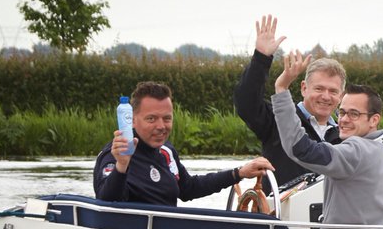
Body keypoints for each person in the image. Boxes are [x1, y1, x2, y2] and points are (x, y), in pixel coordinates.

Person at [271, 52, 383, 229]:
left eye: (354, 114)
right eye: (343, 112)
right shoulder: (382, 151)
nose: (345, 119)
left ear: (374, 120)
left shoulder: (357, 150)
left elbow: (300, 149)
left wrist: (281, 89)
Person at [95, 81, 274, 206]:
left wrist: (239, 173)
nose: (161, 126)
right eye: (151, 119)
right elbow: (107, 204)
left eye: (167, 118)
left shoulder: (166, 151)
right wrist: (121, 167)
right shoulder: (115, 155)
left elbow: (189, 189)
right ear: (132, 120)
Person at [233, 14, 346, 189]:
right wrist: (261, 58)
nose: (325, 96)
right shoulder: (277, 118)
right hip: (279, 213)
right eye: (319, 89)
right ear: (303, 88)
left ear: (341, 96)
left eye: (333, 91)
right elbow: (246, 103)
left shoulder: (346, 133)